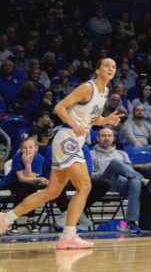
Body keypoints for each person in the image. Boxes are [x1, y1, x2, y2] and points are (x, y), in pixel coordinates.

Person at [0, 58, 123, 249]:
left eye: (114, 66)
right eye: (106, 65)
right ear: (98, 70)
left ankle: (6, 218)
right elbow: (59, 108)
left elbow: (91, 118)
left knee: (52, 191)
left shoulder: (104, 92)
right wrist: (74, 124)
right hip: (67, 138)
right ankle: (68, 235)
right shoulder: (87, 88)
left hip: (73, 140)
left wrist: (106, 119)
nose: (111, 68)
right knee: (84, 186)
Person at [91, 127, 151, 234]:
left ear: (113, 138)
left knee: (135, 181)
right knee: (115, 163)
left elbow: (130, 173)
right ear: (98, 138)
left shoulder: (122, 154)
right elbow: (90, 176)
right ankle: (145, 181)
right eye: (103, 136)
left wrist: (119, 170)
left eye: (109, 136)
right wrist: (110, 168)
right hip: (104, 183)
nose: (107, 138)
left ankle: (131, 222)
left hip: (121, 184)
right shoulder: (92, 154)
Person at [7, 136, 47, 208]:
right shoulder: (17, 157)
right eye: (25, 148)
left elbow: (32, 178)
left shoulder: (40, 158)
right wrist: (27, 164)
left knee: (32, 186)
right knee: (25, 185)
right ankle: (15, 213)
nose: (27, 150)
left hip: (28, 184)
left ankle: (30, 218)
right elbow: (21, 179)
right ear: (21, 149)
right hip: (12, 182)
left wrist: (28, 165)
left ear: (36, 148)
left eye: (30, 147)